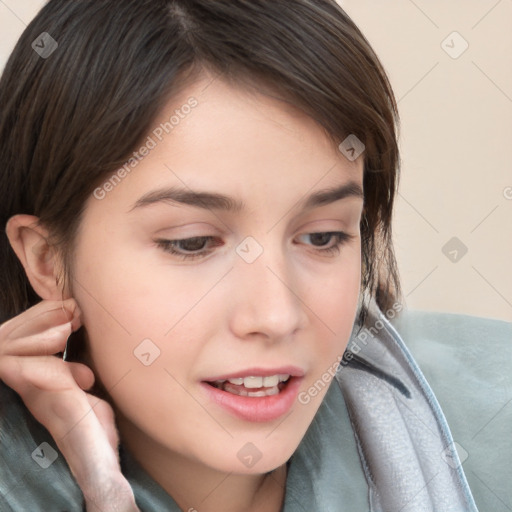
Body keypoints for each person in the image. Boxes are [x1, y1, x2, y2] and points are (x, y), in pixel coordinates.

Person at [0, 1, 509, 511]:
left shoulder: (490, 416)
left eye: (323, 237)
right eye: (193, 242)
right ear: (48, 260)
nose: (276, 315)